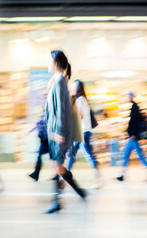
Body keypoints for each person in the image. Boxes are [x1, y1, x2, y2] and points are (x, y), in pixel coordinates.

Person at [44, 50, 87, 214]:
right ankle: (77, 193)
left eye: (49, 60)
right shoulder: (56, 80)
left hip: (58, 132)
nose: (47, 63)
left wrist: (59, 132)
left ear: (55, 62)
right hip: (55, 131)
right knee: (57, 165)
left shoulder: (61, 81)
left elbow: (62, 110)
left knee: (57, 165)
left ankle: (60, 200)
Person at [64, 79, 103, 188]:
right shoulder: (81, 99)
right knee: (72, 154)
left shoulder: (80, 100)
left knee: (88, 156)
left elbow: (79, 116)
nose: (72, 88)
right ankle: (65, 177)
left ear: (78, 88)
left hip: (83, 132)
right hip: (82, 132)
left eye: (74, 86)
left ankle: (98, 179)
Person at [117, 91, 147, 182]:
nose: (127, 98)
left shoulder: (135, 107)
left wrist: (133, 134)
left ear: (131, 96)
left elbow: (134, 122)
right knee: (126, 155)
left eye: (128, 96)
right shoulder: (134, 106)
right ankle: (122, 175)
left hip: (133, 137)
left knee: (138, 156)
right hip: (132, 137)